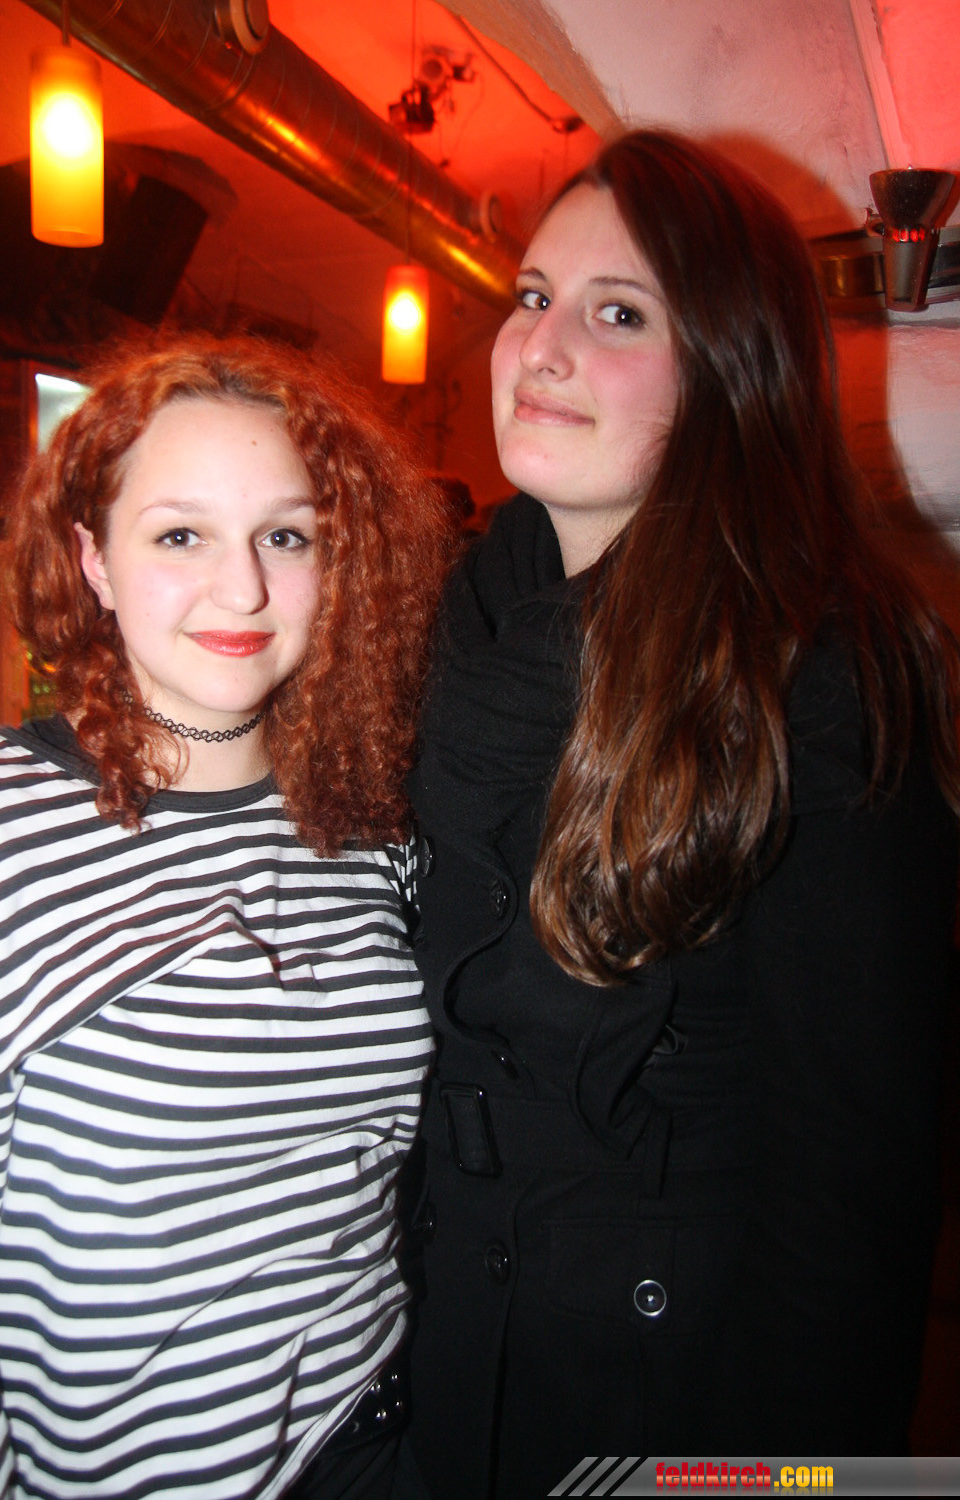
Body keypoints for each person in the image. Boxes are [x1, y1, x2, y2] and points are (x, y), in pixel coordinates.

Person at [401, 130, 960, 1496]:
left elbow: (848, 1199)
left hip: (665, 1402)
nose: (538, 348)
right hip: (443, 1361)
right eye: (532, 296)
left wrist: (777, 1481)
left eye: (617, 315)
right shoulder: (455, 627)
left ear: (729, 370)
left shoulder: (816, 678)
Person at [0, 334, 450, 1500]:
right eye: (180, 535)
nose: (242, 591)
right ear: (94, 559)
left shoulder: (373, 825)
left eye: (285, 537)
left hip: (386, 1439)